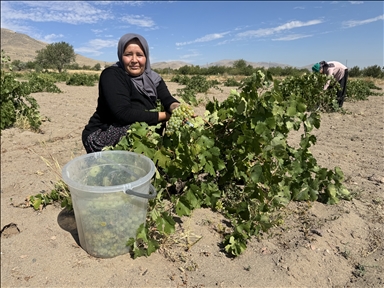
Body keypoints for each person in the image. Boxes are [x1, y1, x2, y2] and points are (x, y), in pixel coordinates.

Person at [82, 33, 180, 153]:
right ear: (121, 56)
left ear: (146, 57)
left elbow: (167, 99)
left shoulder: (153, 78)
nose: (134, 60)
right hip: (102, 134)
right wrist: (166, 116)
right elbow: (123, 114)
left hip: (140, 135)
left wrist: (178, 109)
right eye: (128, 54)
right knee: (134, 128)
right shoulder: (112, 75)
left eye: (139, 55)